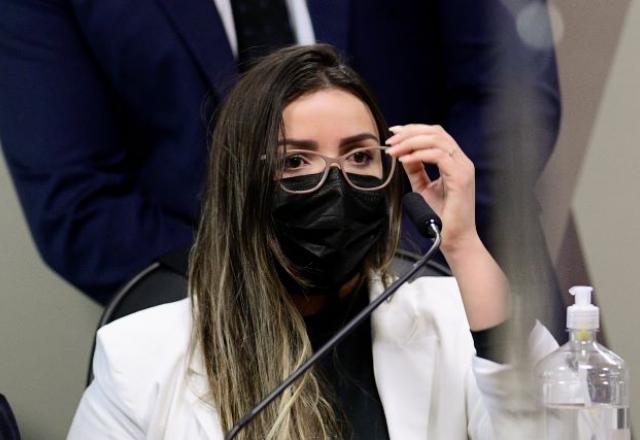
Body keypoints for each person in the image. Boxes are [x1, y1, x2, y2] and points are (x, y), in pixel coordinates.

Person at [67, 45, 558, 440]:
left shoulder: (454, 318)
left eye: (359, 157)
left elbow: (560, 432)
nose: (335, 183)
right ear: (242, 189)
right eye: (295, 162)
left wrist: (464, 245)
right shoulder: (139, 357)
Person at [0, 0, 561, 304]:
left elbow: (513, 98)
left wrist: (376, 258)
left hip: (462, 287)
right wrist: (259, 298)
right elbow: (78, 202)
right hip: (205, 329)